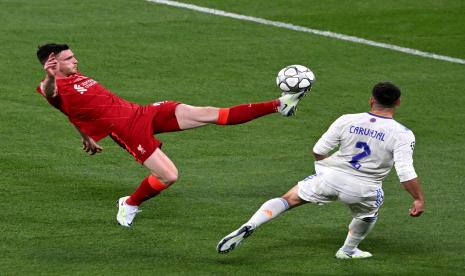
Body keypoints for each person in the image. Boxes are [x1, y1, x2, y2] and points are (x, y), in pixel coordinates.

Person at [35, 43, 311, 228]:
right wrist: (49, 78)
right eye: (69, 58)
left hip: (143, 112)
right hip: (127, 130)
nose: (76, 60)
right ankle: (129, 203)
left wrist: (85, 135)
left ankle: (279, 104)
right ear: (52, 64)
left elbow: (71, 112)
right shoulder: (52, 84)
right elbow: (52, 97)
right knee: (169, 176)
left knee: (211, 113)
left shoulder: (75, 76)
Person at [217, 82, 425, 259]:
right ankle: (348, 250)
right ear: (398, 102)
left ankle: (251, 224)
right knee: (369, 213)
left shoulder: (347, 119)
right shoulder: (402, 134)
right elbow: (405, 173)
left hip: (330, 178)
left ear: (371, 100)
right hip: (364, 188)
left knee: (288, 199)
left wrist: (330, 168)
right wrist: (418, 199)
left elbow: (318, 151)